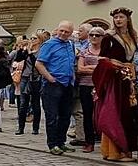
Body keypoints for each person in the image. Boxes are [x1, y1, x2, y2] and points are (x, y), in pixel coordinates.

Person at [35, 21, 77, 155]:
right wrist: (50, 78)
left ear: (71, 33)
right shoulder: (49, 44)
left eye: (67, 32)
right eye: (62, 31)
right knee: (52, 116)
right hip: (53, 84)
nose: (63, 34)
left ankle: (61, 142)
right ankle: (52, 144)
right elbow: (39, 63)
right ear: (57, 30)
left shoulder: (70, 44)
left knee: (65, 116)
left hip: (67, 84)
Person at [77, 27, 104, 153]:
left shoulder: (105, 51)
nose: (94, 37)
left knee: (102, 114)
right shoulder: (84, 51)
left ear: (102, 37)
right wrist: (96, 68)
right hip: (85, 85)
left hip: (101, 85)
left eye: (97, 35)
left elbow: (106, 68)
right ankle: (89, 142)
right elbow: (80, 69)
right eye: (92, 35)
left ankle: (105, 141)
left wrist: (90, 68)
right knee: (87, 114)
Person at [14, 32, 47, 135]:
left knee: (35, 103)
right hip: (25, 77)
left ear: (40, 40)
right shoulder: (27, 50)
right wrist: (22, 49)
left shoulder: (41, 51)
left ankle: (35, 128)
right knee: (23, 104)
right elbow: (18, 58)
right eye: (31, 38)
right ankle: (20, 128)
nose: (32, 40)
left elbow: (36, 64)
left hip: (36, 78)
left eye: (35, 38)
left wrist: (29, 53)